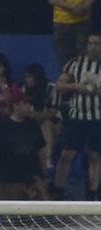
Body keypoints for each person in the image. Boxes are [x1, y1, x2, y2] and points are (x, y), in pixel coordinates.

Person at [54, 32, 101, 200]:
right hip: (77, 116)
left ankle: (92, 194)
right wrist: (77, 87)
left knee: (95, 156)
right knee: (67, 154)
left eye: (97, 43)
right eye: (91, 43)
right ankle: (57, 192)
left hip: (98, 118)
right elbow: (59, 85)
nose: (94, 47)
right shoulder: (75, 64)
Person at [0, 94, 50, 200]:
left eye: (29, 103)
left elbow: (42, 152)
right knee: (11, 214)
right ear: (16, 105)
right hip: (9, 180)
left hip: (33, 179)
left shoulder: (33, 126)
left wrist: (43, 176)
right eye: (25, 103)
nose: (29, 106)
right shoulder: (2, 127)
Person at [22, 63, 61, 168]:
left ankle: (47, 159)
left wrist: (38, 116)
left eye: (29, 76)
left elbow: (53, 112)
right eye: (25, 76)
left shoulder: (51, 88)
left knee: (46, 125)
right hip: (31, 121)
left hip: (54, 123)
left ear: (37, 77)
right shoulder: (23, 89)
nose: (26, 79)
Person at [50, 0, 94, 67]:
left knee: (85, 55)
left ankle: (83, 74)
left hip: (83, 21)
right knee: (65, 57)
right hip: (61, 22)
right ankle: (68, 75)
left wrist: (84, 7)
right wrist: (72, 8)